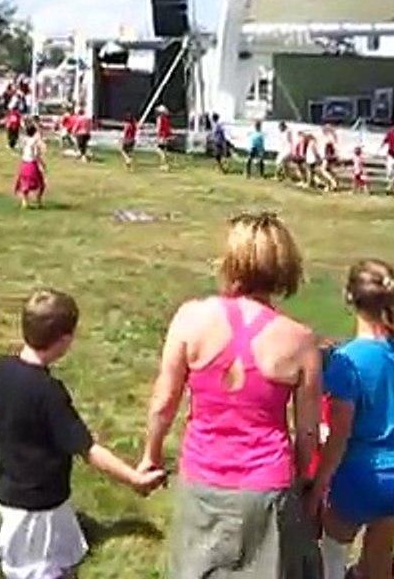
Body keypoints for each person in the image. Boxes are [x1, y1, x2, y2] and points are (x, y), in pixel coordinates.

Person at [0, 289, 166, 579]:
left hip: (12, 492)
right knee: (34, 568)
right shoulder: (49, 393)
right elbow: (87, 449)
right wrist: (134, 479)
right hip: (38, 502)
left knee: (48, 551)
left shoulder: (2, 370)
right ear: (64, 341)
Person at [140, 212, 321, 578]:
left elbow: (164, 402)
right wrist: (305, 478)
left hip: (202, 476)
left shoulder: (191, 318)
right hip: (266, 485)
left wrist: (151, 456)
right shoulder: (299, 341)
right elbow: (307, 430)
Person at [309, 259, 394, 579]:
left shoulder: (347, 361)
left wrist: (319, 484)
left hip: (361, 470)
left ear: (349, 296)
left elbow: (340, 433)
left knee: (333, 552)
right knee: (379, 559)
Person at [14, 124, 46, 209]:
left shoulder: (24, 140)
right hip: (32, 164)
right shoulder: (34, 142)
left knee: (25, 183)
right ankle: (38, 201)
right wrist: (42, 164)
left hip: (24, 164)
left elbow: (20, 150)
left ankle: (24, 202)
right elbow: (36, 155)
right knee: (41, 184)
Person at [156, 106, 173, 171]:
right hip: (166, 136)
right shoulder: (166, 119)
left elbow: (159, 128)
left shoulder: (160, 118)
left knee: (159, 150)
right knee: (164, 150)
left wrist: (159, 136)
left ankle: (165, 164)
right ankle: (165, 165)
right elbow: (168, 128)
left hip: (162, 136)